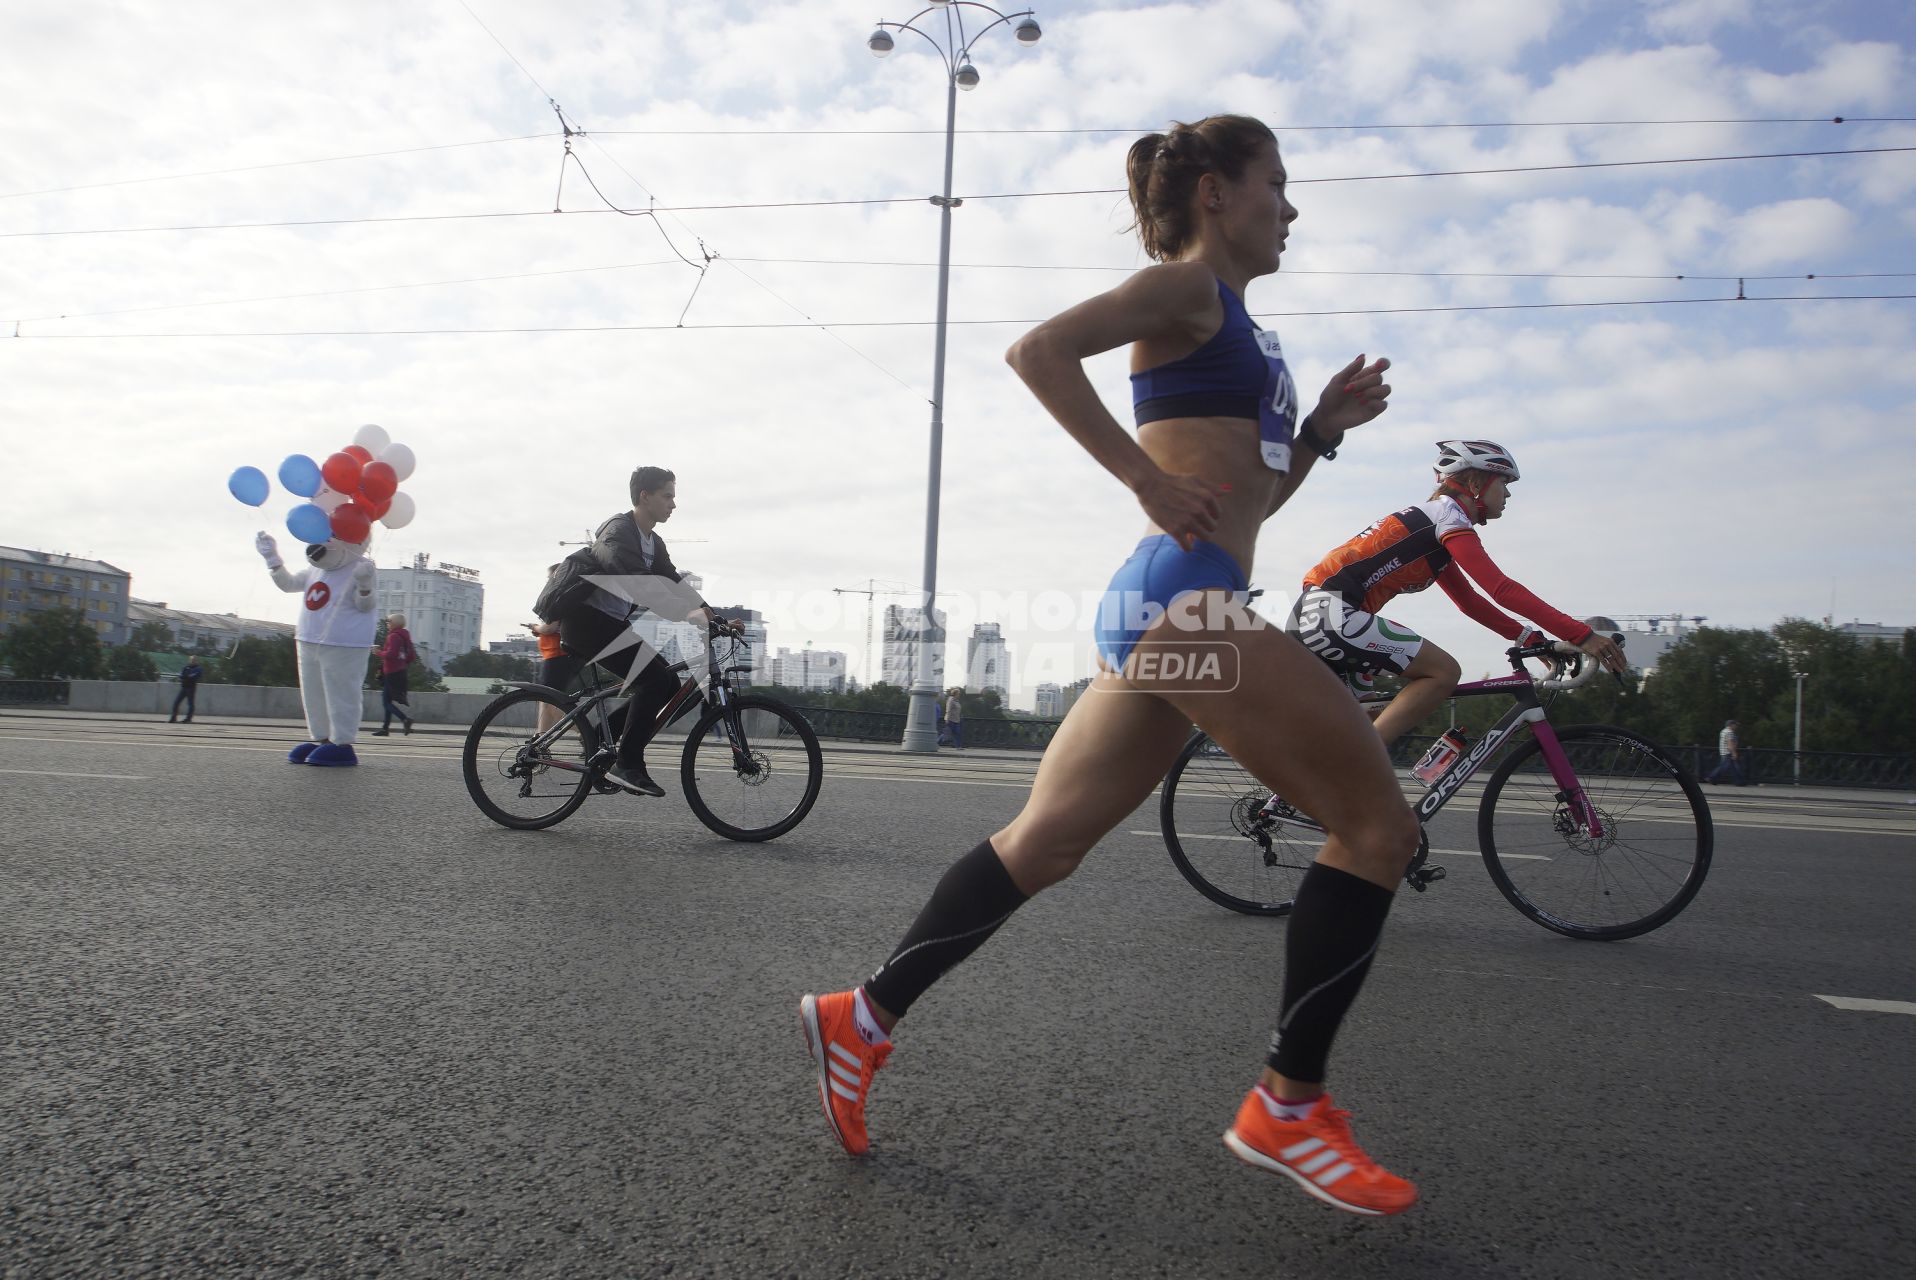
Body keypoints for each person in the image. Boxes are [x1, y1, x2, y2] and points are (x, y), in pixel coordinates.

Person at [799, 115, 1418, 1215]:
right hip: (1183, 599)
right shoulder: (1181, 288)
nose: (1292, 205)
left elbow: (1250, 499)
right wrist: (1137, 477)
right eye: (1278, 182)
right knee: (1377, 828)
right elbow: (1036, 351)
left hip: (1174, 598)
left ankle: (863, 1013)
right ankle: (1287, 1102)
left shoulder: (1245, 333)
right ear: (1216, 193)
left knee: (1044, 842)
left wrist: (1317, 429)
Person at [1288, 440, 1626, 748]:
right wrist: (1580, 634)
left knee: (1363, 721)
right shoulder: (1448, 520)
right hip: (1334, 616)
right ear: (1477, 484)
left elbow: (1470, 603)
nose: (1507, 495)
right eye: (1504, 484)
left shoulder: (1430, 527)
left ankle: (1306, 798)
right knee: (1443, 672)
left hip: (1314, 614)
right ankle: (1366, 766)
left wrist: (1529, 638)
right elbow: (1501, 589)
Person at [545, 466, 732, 796]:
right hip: (586, 622)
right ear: (645, 496)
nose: (673, 504)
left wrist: (715, 618)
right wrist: (685, 613)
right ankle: (628, 763)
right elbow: (637, 582)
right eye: (667, 496)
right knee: (655, 680)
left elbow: (673, 581)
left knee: (668, 683)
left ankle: (601, 740)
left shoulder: (653, 542)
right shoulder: (618, 531)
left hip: (609, 624)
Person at [369, 612, 417, 736]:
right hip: (400, 672)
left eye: (389, 622)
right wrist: (402, 664)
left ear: (394, 623)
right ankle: (385, 728)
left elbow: (391, 654)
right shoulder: (405, 636)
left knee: (386, 702)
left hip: (392, 672)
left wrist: (378, 652)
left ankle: (405, 719)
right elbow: (411, 656)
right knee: (388, 700)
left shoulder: (393, 636)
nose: (387, 624)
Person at [1705, 718, 1747, 785]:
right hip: (1728, 753)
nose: (1736, 727)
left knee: (1733, 768)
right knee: (1723, 767)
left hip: (1724, 752)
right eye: (1735, 725)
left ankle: (1739, 781)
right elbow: (1730, 743)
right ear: (1731, 725)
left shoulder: (1723, 731)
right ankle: (1712, 778)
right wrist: (1734, 753)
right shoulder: (1729, 732)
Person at [168, 656, 204, 723]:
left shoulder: (198, 668)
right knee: (176, 702)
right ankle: (173, 718)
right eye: (191, 660)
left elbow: (194, 676)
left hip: (191, 688)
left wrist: (186, 677)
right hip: (184, 687)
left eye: (194, 660)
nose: (192, 661)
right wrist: (186, 677)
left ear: (196, 661)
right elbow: (181, 675)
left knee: (190, 704)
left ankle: (188, 719)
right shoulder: (186, 667)